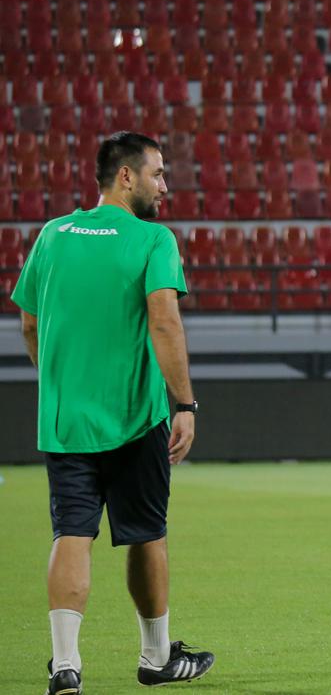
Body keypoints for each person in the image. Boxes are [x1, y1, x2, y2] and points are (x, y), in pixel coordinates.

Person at [11, 131, 213, 695]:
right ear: (127, 177)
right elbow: (164, 321)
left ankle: (67, 665)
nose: (164, 186)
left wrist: (61, 380)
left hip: (66, 419)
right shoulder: (152, 240)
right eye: (158, 174)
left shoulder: (52, 236)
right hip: (134, 417)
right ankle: (154, 658)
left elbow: (29, 323)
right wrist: (186, 403)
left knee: (70, 532)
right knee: (147, 534)